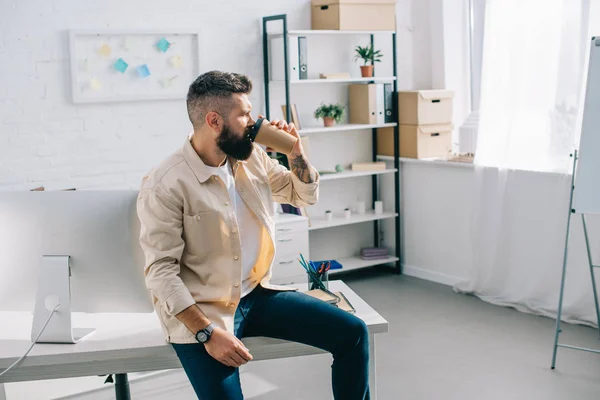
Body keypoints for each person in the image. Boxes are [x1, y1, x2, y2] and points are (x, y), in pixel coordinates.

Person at [136, 71, 370, 399]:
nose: (254, 121)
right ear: (214, 121)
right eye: (244, 114)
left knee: (354, 333)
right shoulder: (165, 184)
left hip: (256, 297)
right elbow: (161, 273)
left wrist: (296, 151)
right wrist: (206, 333)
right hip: (204, 313)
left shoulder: (253, 158)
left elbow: (303, 196)